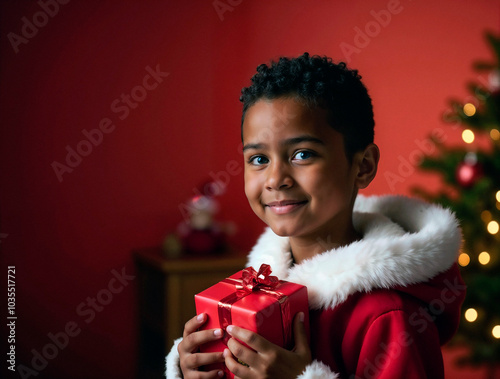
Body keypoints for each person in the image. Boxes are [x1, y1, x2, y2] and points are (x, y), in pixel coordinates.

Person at [166, 53, 465, 378]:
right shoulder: (258, 286)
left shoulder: (391, 316)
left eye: (302, 154)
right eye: (258, 159)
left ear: (363, 165)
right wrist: (190, 368)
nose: (275, 178)